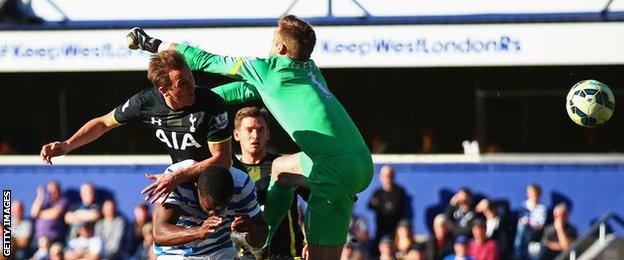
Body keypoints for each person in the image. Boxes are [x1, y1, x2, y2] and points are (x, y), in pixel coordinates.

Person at [128, 14, 374, 259]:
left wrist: (152, 44)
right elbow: (245, 90)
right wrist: (201, 104)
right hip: (359, 161)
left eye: (272, 41)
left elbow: (206, 60)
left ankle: (270, 237)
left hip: (334, 170)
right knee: (280, 170)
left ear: (280, 48)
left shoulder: (268, 69)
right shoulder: (310, 71)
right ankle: (262, 237)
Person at [39, 49, 238, 203]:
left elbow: (222, 159)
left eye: (191, 77)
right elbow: (103, 123)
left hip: (221, 181)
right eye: (182, 84)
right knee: (162, 231)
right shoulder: (145, 102)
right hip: (183, 179)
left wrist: (177, 176)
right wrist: (67, 145)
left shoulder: (212, 104)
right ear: (164, 90)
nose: (191, 86)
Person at [233, 106, 308, 259]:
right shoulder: (231, 172)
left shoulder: (285, 167)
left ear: (268, 134)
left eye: (260, 130)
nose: (255, 135)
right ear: (236, 134)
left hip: (287, 254)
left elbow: (316, 201)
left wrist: (312, 240)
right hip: (247, 255)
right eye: (249, 130)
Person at [153, 163, 267, 259]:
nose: (213, 214)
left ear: (232, 195)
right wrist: (198, 232)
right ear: (197, 190)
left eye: (220, 209)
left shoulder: (242, 186)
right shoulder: (176, 180)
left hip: (220, 249)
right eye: (208, 208)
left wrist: (251, 229)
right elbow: (159, 234)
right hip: (177, 253)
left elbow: (261, 239)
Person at [368, 165, 410, 256]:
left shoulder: (399, 192)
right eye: (385, 176)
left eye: (390, 175)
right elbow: (370, 206)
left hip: (395, 231)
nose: (388, 178)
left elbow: (396, 209)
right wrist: (386, 206)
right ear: (381, 177)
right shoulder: (377, 192)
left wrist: (380, 205)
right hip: (380, 230)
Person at [513, 184, 547, 260]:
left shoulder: (542, 208)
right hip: (522, 234)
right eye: (531, 194)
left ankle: (519, 252)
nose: (533, 196)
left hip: (535, 234)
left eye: (535, 194)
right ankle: (518, 252)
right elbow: (520, 220)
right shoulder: (524, 205)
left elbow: (540, 226)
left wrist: (530, 222)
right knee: (522, 227)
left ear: (539, 194)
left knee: (523, 227)